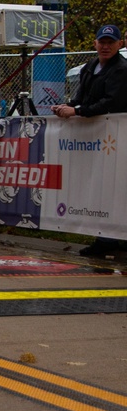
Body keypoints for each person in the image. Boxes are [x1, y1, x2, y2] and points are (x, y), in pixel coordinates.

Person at [51, 24, 127, 256]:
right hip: (92, 141)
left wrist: (78, 111)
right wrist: (68, 107)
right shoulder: (90, 67)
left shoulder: (121, 70)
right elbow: (80, 98)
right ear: (95, 44)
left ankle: (111, 240)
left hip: (114, 139)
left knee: (113, 188)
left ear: (120, 44)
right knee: (98, 188)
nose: (105, 47)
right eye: (101, 42)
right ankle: (105, 239)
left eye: (110, 43)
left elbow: (111, 102)